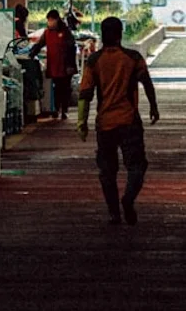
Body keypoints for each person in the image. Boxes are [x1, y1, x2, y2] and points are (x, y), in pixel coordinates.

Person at [77, 16, 159, 225]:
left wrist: (82, 123)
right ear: (120, 34)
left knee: (107, 171)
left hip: (105, 124)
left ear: (103, 35)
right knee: (137, 165)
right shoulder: (132, 58)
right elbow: (147, 83)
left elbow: (85, 94)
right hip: (129, 121)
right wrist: (153, 107)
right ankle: (128, 199)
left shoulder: (94, 61)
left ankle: (114, 213)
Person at [28, 8, 77, 118]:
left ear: (57, 20)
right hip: (54, 65)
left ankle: (64, 110)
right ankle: (56, 109)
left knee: (65, 88)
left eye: (51, 20)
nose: (49, 22)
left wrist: (70, 65)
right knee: (55, 88)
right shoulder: (47, 33)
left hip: (65, 66)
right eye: (48, 20)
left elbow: (71, 48)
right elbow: (39, 44)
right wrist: (31, 54)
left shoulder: (65, 32)